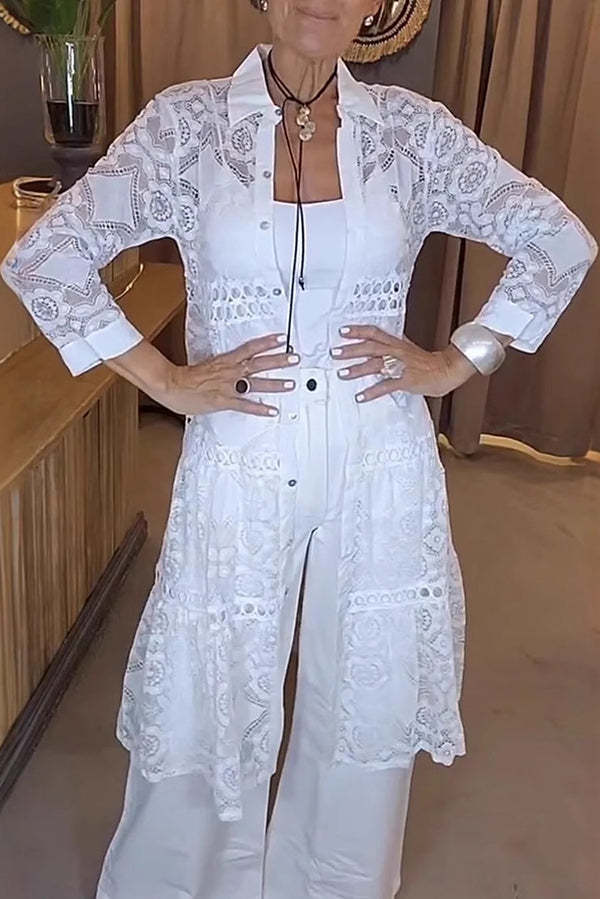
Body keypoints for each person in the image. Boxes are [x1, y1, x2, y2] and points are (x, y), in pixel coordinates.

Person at [1, 1, 597, 897]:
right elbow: (48, 256)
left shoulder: (410, 133)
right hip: (238, 458)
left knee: (363, 698)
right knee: (210, 691)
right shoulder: (189, 125)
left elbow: (557, 238)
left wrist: (455, 361)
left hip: (380, 457)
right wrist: (164, 378)